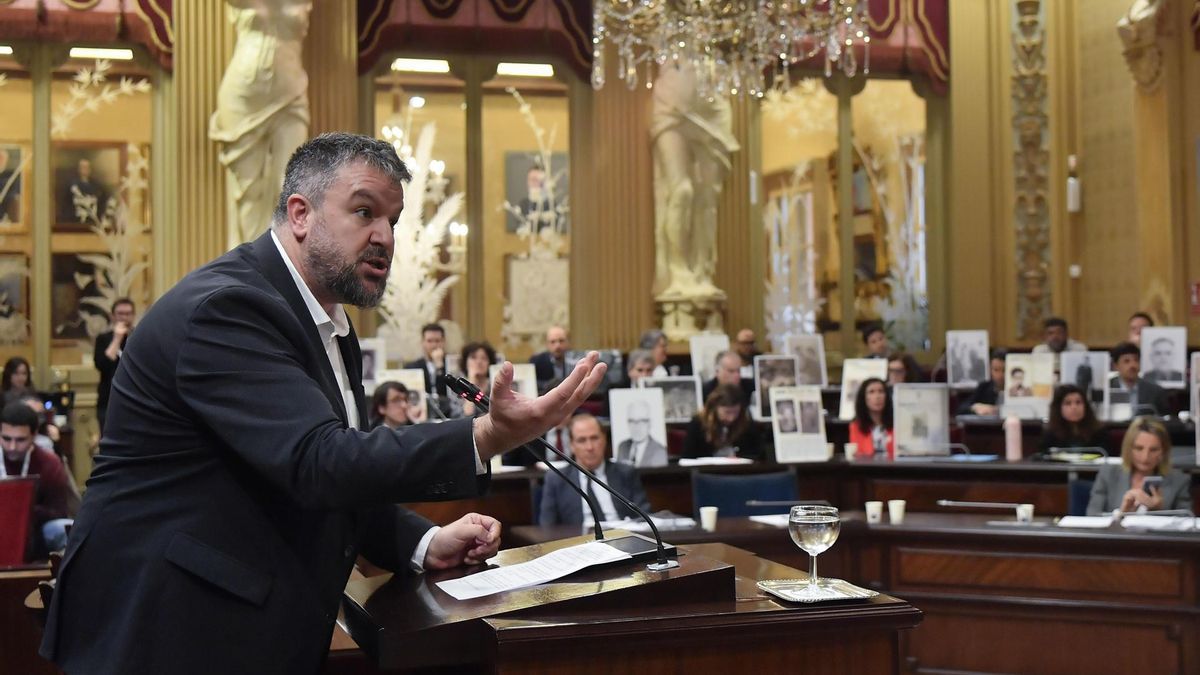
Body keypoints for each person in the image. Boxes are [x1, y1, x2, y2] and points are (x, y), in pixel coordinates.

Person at [39, 133, 608, 674]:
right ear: (300, 214)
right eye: (364, 212)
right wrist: (482, 436)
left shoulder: (326, 321)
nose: (385, 236)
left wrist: (422, 541)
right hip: (171, 632)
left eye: (394, 219)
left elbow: (318, 481)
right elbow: (318, 462)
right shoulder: (230, 307)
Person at [210, 0, 312, 244]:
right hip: (243, 97)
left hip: (291, 94)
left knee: (292, 186)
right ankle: (246, 274)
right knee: (247, 194)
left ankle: (285, 272)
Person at [650, 61, 739, 300]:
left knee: (708, 198)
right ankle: (678, 273)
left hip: (712, 104)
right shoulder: (656, 28)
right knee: (681, 192)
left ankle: (702, 272)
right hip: (671, 102)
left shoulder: (720, 27)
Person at [539, 414, 650, 526]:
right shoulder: (557, 479)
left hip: (623, 538)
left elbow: (646, 519)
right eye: (582, 440)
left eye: (594, 438)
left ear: (604, 439)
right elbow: (547, 527)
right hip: (579, 541)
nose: (590, 447)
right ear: (572, 445)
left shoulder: (625, 473)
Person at [1, 402, 74, 559]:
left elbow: (59, 512)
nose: (12, 447)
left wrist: (22, 508)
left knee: (64, 529)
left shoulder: (49, 463)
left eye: (20, 440)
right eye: (6, 439)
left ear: (34, 435)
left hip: (36, 532)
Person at [1087, 416, 1192, 515]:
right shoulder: (1108, 474)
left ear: (1163, 451)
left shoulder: (1180, 481)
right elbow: (1092, 517)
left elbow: (1187, 524)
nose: (1145, 457)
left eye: (1154, 450)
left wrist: (1158, 511)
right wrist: (1121, 515)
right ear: (1129, 449)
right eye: (1139, 448)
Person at [682, 383, 762, 460]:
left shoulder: (747, 425)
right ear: (714, 408)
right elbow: (687, 457)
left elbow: (757, 455)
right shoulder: (697, 424)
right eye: (727, 412)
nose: (731, 418)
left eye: (735, 412)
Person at [94, 297, 136, 432]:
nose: (124, 317)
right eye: (120, 314)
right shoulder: (103, 339)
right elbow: (102, 365)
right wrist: (117, 339)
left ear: (133, 316)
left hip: (134, 399)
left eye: (128, 314)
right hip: (108, 400)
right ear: (113, 316)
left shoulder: (139, 337)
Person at [1040, 384, 1107, 453]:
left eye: (1078, 402)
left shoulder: (1099, 432)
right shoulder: (1050, 434)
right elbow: (1042, 458)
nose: (1074, 407)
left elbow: (1107, 457)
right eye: (1068, 403)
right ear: (1058, 408)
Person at [1109, 341, 1170, 416]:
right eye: (1126, 361)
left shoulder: (1155, 391)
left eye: (1136, 360)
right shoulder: (1107, 388)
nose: (1133, 365)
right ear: (1116, 366)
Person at [405, 322, 451, 415]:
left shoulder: (451, 366)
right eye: (429, 341)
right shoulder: (412, 367)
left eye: (437, 341)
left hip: (447, 413)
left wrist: (439, 367)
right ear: (423, 342)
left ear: (443, 342)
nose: (434, 345)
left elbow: (446, 393)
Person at [848, 377, 894, 460]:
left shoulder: (896, 423)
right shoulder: (856, 426)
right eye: (871, 392)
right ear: (864, 398)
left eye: (881, 391)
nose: (877, 396)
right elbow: (857, 454)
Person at [451, 341, 497, 419]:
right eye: (473, 357)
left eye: (484, 358)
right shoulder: (458, 388)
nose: (479, 362)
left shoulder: (494, 387)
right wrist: (471, 381)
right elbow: (466, 415)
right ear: (465, 362)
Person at [615, 399, 668, 467]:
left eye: (642, 421)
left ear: (649, 423)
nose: (636, 427)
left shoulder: (659, 451)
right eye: (632, 421)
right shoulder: (622, 447)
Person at [957, 349, 1006, 415]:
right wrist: (975, 408)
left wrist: (995, 409)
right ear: (990, 370)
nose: (1000, 375)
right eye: (996, 370)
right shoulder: (984, 387)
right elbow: (962, 409)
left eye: (1004, 370)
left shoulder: (1019, 389)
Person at [531, 325, 571, 394]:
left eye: (561, 341)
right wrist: (548, 385)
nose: (558, 345)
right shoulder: (537, 361)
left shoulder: (574, 361)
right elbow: (531, 383)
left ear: (568, 342)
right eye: (553, 342)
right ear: (547, 344)